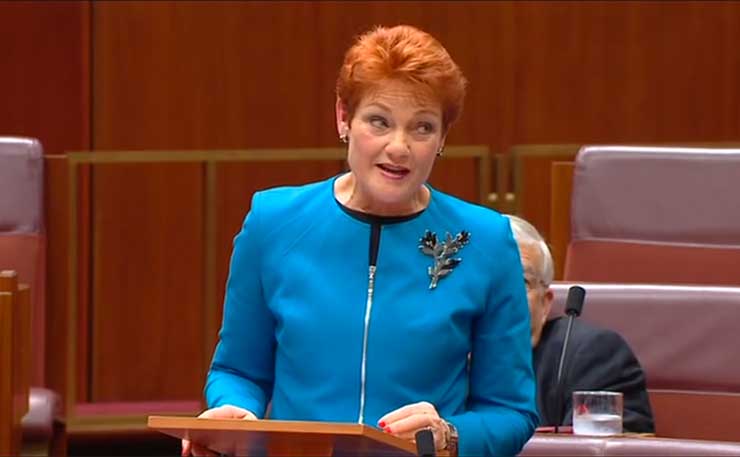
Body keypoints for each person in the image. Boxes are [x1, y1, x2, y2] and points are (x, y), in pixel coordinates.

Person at [182, 25, 538, 456]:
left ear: (443, 138)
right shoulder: (272, 223)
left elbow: (511, 410)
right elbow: (238, 370)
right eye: (379, 121)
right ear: (343, 119)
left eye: (422, 127)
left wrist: (449, 435)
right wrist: (234, 409)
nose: (399, 147)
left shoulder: (486, 240)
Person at [504, 214, 655, 433]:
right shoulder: (441, 350)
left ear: (545, 304)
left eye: (521, 282)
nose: (503, 295)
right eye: (489, 280)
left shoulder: (592, 356)